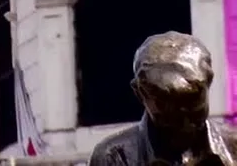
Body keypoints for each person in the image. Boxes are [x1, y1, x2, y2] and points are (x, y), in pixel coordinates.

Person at [89, 31, 237, 165]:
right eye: (169, 114)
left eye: (193, 105)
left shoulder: (233, 146)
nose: (184, 123)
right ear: (140, 93)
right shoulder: (113, 157)